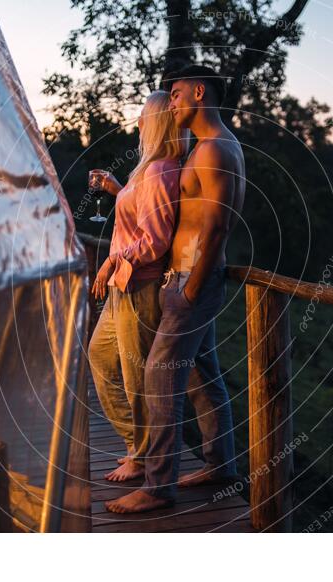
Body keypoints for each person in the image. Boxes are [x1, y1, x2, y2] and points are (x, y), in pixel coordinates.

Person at [106, 65, 245, 513]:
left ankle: (157, 487)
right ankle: (220, 465)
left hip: (191, 282)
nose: (174, 102)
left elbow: (218, 227)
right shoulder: (213, 147)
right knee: (204, 376)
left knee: (159, 379)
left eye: (178, 93)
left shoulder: (213, 151)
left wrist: (190, 289)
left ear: (199, 92)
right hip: (185, 281)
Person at [87, 90, 187, 482]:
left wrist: (111, 260)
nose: (139, 123)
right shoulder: (149, 169)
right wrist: (117, 191)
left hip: (138, 287)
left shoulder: (162, 169)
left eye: (144, 116)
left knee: (134, 377)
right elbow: (141, 217)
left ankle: (143, 455)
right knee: (99, 356)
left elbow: (156, 239)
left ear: (157, 121)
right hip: (122, 286)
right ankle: (136, 444)